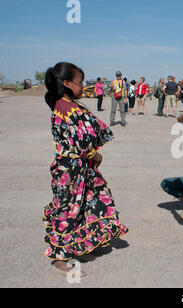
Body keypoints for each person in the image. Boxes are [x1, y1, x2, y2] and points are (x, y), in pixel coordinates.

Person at [42, 62, 129, 277]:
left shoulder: (68, 103)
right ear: (67, 83)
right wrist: (94, 154)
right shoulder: (65, 107)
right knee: (68, 210)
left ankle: (77, 246)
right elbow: (82, 139)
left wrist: (90, 157)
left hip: (80, 166)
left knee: (89, 202)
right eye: (80, 83)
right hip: (71, 169)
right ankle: (60, 257)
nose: (83, 87)